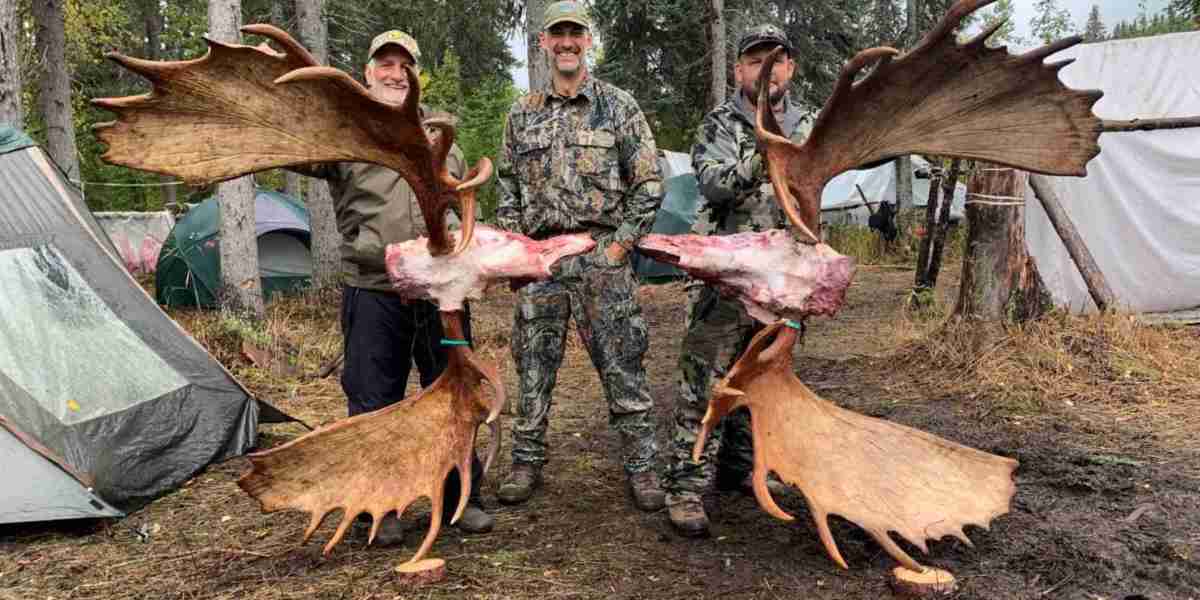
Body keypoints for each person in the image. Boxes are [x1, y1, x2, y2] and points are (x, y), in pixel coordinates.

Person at [291, 29, 494, 543]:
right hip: (374, 290)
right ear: (368, 72)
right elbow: (290, 147)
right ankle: (376, 508)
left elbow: (461, 211)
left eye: (405, 66)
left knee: (453, 395)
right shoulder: (345, 139)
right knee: (373, 400)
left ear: (416, 76)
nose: (395, 73)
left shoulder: (442, 142)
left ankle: (457, 499)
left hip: (437, 295)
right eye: (386, 64)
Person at [493, 0, 665, 511]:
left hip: (600, 257)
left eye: (576, 33)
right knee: (533, 367)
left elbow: (650, 183)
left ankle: (643, 468)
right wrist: (517, 249)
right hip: (541, 261)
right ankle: (525, 464)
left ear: (589, 40)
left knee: (623, 364)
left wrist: (620, 246)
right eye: (557, 34)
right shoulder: (521, 114)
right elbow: (506, 188)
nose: (567, 42)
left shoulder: (618, 106)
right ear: (544, 42)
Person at [663, 24, 811, 538]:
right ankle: (685, 485)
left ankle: (740, 469)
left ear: (789, 68)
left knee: (762, 378)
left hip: (785, 277)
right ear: (740, 70)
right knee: (704, 382)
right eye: (755, 60)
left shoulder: (813, 124)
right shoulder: (719, 124)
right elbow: (713, 184)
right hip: (725, 280)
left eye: (776, 59)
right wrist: (768, 150)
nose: (767, 69)